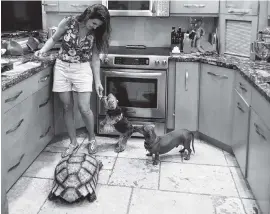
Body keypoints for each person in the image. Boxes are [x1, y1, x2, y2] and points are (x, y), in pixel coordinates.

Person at [35, 4, 111, 157]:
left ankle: (92, 139)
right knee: (67, 106)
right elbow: (54, 39)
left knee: (84, 108)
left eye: (98, 25)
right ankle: (73, 142)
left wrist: (98, 82)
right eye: (94, 23)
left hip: (82, 69)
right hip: (62, 68)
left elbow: (95, 59)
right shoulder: (68, 22)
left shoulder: (96, 33)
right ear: (88, 15)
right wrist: (42, 50)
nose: (95, 27)